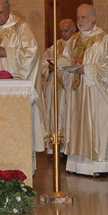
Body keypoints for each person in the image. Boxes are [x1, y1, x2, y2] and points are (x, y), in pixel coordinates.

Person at [58, 4, 108, 176]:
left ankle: (98, 166)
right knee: (76, 125)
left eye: (83, 17)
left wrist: (87, 70)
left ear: (93, 18)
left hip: (95, 91)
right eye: (78, 17)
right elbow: (64, 58)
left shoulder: (103, 39)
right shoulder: (73, 40)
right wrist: (64, 66)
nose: (80, 21)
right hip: (76, 91)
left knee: (95, 125)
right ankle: (77, 165)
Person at [37, 18, 77, 151]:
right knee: (55, 115)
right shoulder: (56, 45)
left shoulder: (77, 44)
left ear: (73, 29)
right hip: (54, 87)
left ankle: (68, 147)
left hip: (68, 86)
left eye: (66, 31)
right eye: (61, 31)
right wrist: (48, 68)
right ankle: (56, 147)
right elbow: (43, 62)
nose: (64, 34)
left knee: (67, 115)